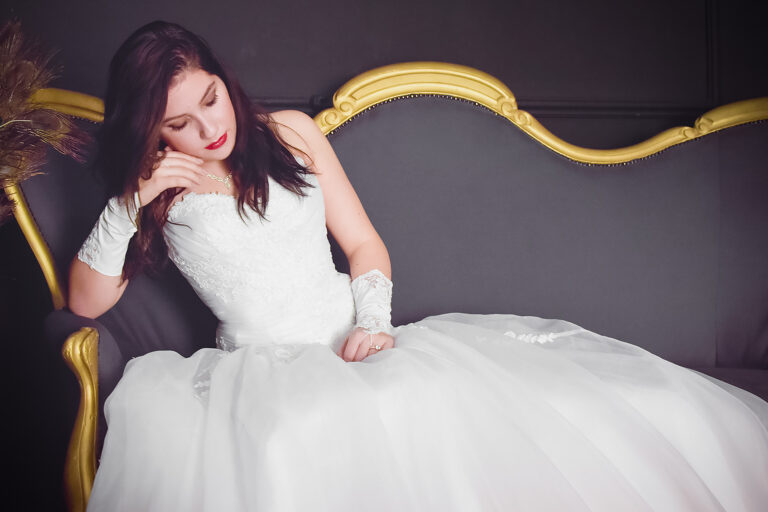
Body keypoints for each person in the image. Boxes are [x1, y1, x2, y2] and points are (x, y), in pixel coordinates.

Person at [71, 20, 768, 512]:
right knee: (293, 446)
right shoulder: (158, 190)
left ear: (222, 78)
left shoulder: (290, 134)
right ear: (152, 132)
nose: (206, 129)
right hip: (259, 373)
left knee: (548, 418)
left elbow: (365, 246)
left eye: (209, 99)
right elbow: (86, 303)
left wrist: (373, 325)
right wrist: (133, 200)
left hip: (359, 341)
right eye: (178, 123)